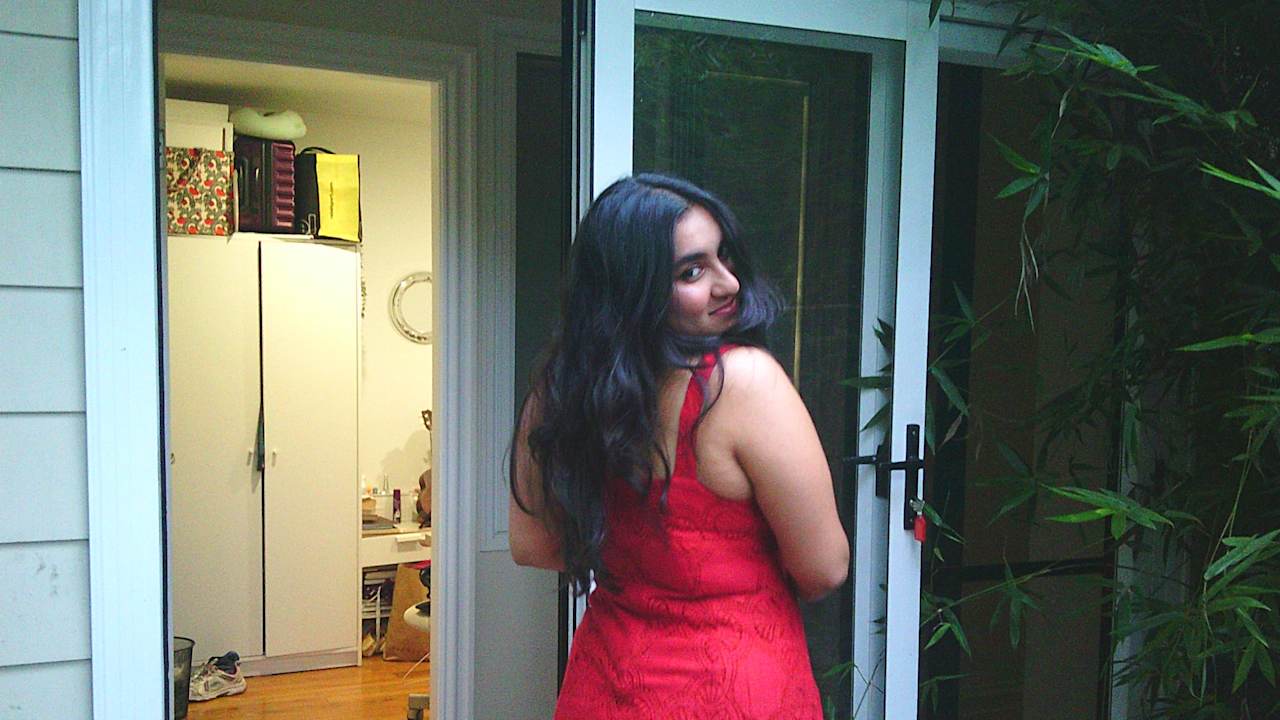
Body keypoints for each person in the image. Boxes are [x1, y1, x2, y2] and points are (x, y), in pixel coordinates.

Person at [509, 173, 849, 719]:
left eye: (724, 256)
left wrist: (643, 571)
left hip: (609, 686)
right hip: (733, 689)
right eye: (692, 271)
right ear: (633, 290)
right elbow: (824, 568)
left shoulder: (562, 389)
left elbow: (533, 545)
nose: (729, 283)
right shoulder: (741, 383)